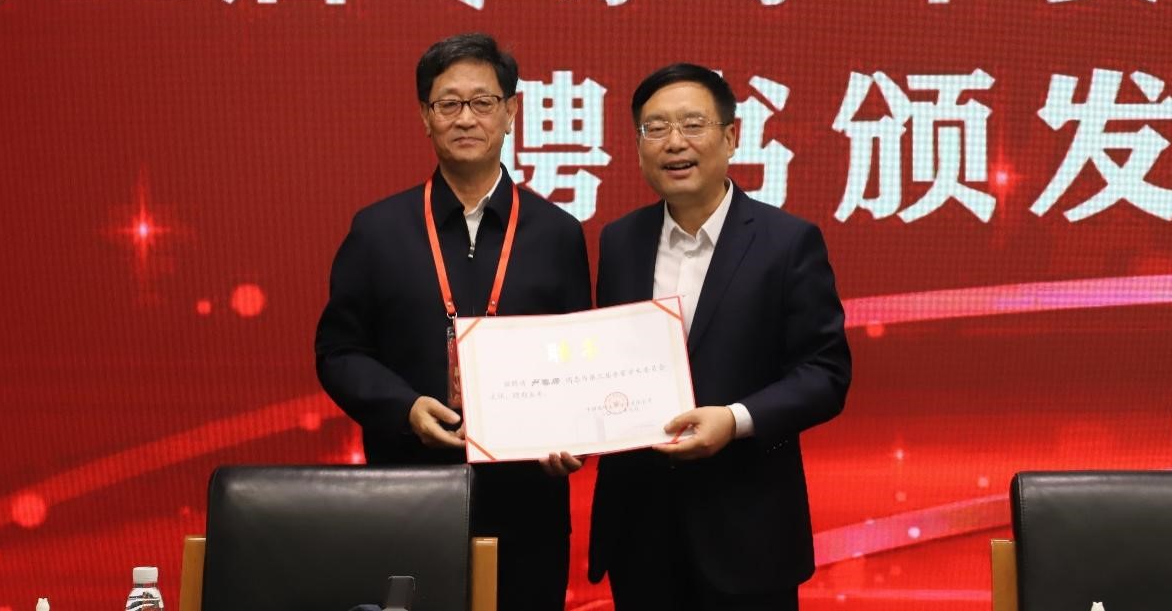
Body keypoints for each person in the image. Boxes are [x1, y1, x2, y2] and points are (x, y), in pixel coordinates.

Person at [315, 33, 590, 611]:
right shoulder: (377, 230)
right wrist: (405, 408)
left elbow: (578, 356)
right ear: (425, 116)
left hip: (527, 509)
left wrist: (573, 434)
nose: (466, 118)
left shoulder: (558, 233)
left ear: (511, 112)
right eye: (448, 104)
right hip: (408, 495)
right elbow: (339, 352)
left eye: (483, 102)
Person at [587, 63, 851, 611]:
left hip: (748, 533)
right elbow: (605, 363)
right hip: (640, 532)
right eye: (656, 128)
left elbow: (824, 374)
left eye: (692, 125)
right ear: (638, 146)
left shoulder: (787, 242)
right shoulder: (620, 241)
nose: (674, 143)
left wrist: (734, 420)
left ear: (731, 137)